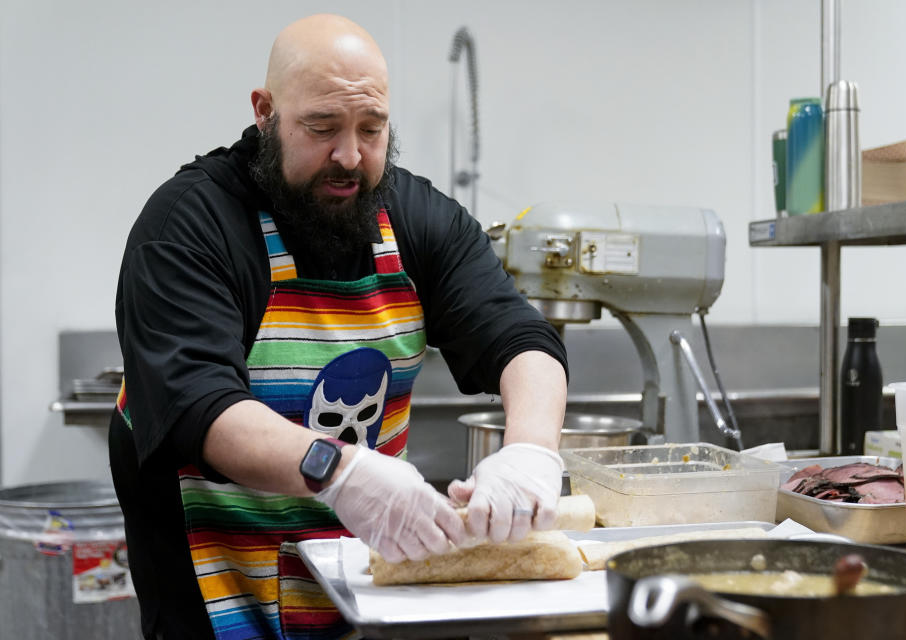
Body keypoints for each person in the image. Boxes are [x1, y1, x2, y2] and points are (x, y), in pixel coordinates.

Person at [109, 13, 568, 640]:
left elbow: (520, 339)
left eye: (371, 130)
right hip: (217, 592)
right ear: (265, 111)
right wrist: (341, 472)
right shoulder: (189, 226)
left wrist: (530, 452)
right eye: (322, 128)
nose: (350, 156)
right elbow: (201, 407)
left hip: (363, 588)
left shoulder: (420, 219)